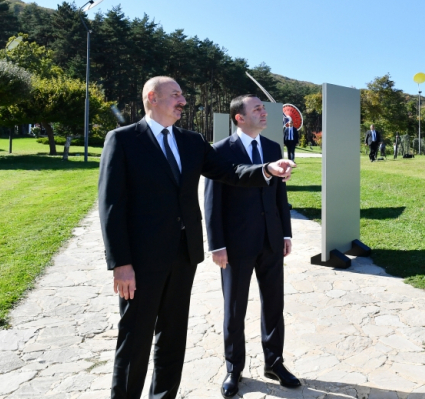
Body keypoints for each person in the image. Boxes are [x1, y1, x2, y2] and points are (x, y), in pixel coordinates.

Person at [98, 77, 294, 399]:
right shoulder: (123, 140)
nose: (183, 101)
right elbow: (112, 207)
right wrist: (121, 263)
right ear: (152, 97)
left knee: (172, 338)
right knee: (135, 340)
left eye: (183, 95)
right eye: (175, 95)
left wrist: (266, 170)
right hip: (141, 263)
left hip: (183, 257)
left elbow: (230, 171)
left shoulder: (191, 142)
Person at [205, 95, 301, 397]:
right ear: (239, 118)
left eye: (263, 107)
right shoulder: (220, 152)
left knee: (274, 306)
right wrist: (217, 244)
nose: (264, 112)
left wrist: (285, 234)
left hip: (271, 240)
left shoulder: (273, 148)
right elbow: (211, 203)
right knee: (234, 309)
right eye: (257, 109)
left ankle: (274, 362)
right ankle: (234, 369)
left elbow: (279, 196)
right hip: (234, 246)